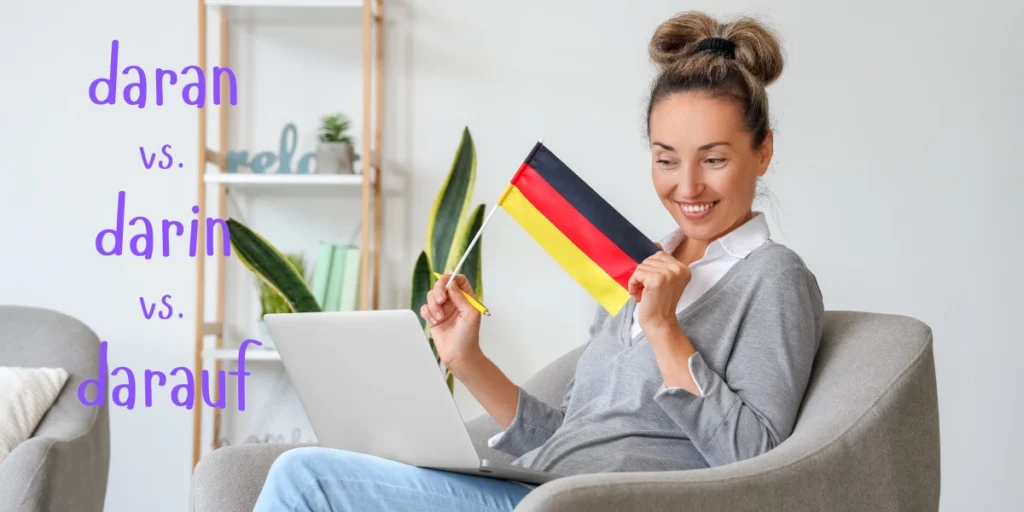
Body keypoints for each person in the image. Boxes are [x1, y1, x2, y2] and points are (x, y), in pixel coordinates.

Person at [253, 10, 824, 512]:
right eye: (666, 159)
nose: (688, 185)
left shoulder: (775, 278)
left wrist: (664, 331)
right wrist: (468, 358)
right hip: (547, 493)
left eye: (715, 158)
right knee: (319, 468)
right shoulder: (638, 266)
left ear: (763, 150)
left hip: (605, 506)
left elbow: (760, 465)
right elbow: (567, 438)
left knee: (307, 481)